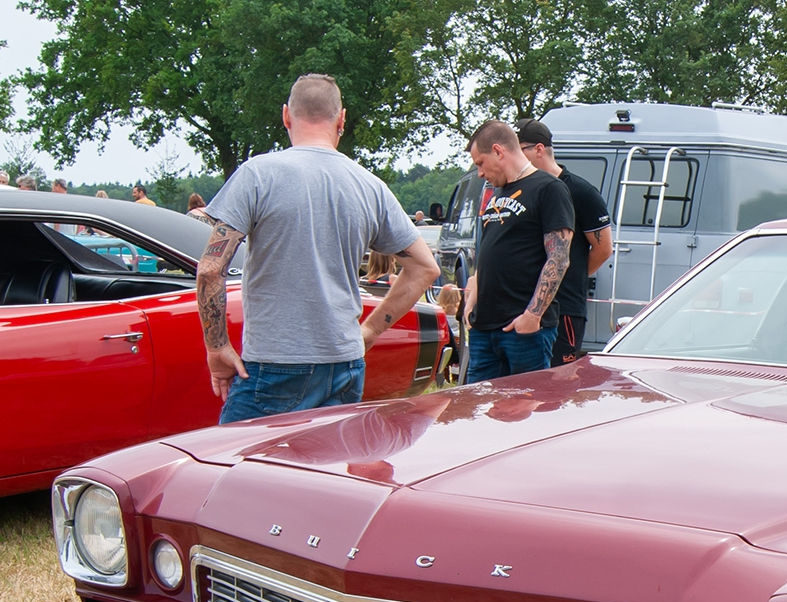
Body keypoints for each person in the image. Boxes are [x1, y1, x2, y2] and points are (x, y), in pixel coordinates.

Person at [196, 72, 438, 423]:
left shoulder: (258, 174)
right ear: (341, 119)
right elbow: (425, 268)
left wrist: (217, 347)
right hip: (345, 363)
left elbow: (210, 269)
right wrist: (369, 331)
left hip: (274, 363)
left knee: (245, 472)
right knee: (326, 473)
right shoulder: (369, 186)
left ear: (286, 116)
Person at [462, 119, 573, 382]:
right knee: (476, 409)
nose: (479, 173)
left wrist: (532, 317)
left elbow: (558, 258)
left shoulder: (549, 188)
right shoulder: (496, 193)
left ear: (499, 151)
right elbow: (486, 253)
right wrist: (470, 305)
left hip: (522, 330)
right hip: (483, 328)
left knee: (524, 410)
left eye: (480, 163)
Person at [516, 119, 612, 366]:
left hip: (565, 308)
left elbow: (603, 249)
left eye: (519, 150)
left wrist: (570, 275)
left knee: (558, 382)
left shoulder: (580, 191)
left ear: (539, 149)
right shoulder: (522, 190)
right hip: (523, 305)